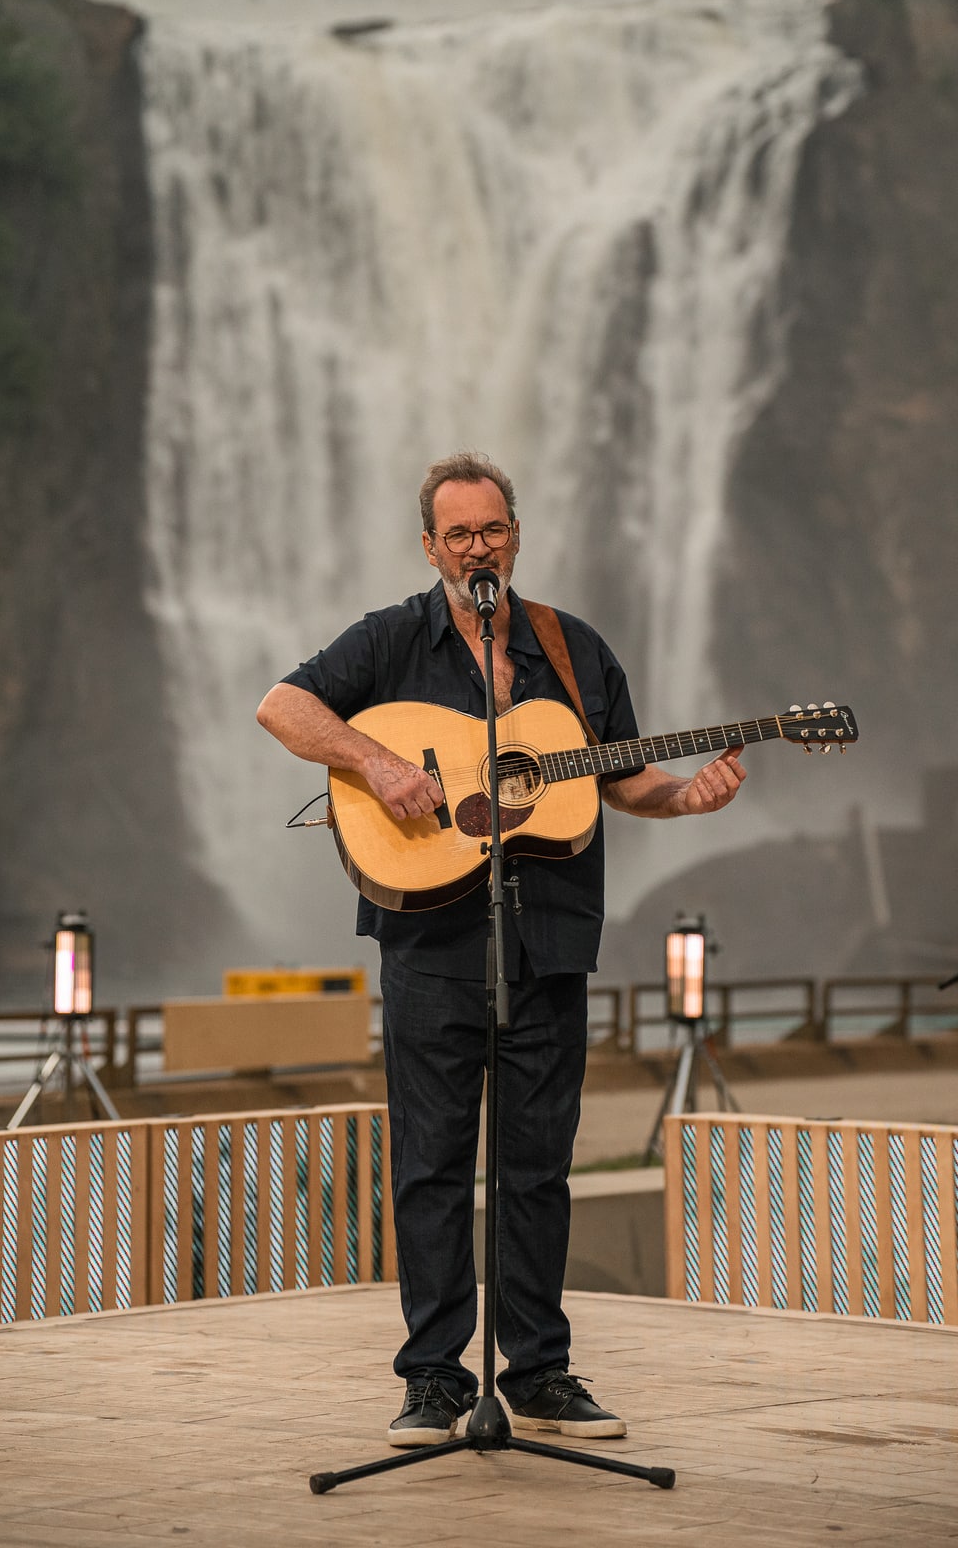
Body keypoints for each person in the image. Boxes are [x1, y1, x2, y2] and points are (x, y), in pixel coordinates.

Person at [256, 450, 746, 1448]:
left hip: (549, 940)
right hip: (430, 941)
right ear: (430, 545)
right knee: (430, 1167)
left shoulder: (572, 649)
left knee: (536, 1168)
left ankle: (540, 1373)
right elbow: (284, 706)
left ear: (515, 535)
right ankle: (435, 1381)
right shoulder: (393, 639)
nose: (477, 548)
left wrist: (685, 798)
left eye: (492, 529)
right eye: (459, 534)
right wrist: (377, 762)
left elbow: (624, 779)